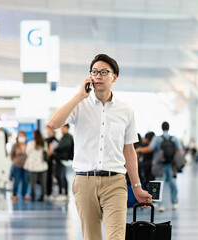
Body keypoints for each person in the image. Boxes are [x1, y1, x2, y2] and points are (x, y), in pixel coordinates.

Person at [48, 54, 152, 240]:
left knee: (116, 237)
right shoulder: (80, 105)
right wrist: (79, 96)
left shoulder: (125, 110)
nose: (98, 76)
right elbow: (53, 123)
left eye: (104, 72)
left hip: (115, 182)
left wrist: (136, 187)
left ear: (114, 77)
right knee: (91, 237)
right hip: (84, 182)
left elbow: (129, 151)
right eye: (94, 72)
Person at [137, 122, 183, 212]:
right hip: (171, 164)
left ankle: (160, 205)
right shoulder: (174, 138)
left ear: (161, 128)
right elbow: (180, 151)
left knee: (158, 184)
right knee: (173, 183)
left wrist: (138, 150)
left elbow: (150, 148)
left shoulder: (157, 138)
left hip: (159, 165)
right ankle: (174, 203)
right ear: (169, 128)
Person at [24, 130, 48, 201]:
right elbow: (46, 151)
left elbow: (27, 152)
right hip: (42, 166)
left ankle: (33, 196)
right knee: (43, 182)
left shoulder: (30, 144)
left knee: (32, 183)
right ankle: (42, 196)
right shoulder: (44, 143)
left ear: (34, 135)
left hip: (33, 166)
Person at [53, 124, 74, 198]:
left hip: (63, 159)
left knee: (60, 176)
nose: (61, 129)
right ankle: (63, 193)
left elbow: (63, 146)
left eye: (62, 128)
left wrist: (55, 149)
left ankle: (63, 193)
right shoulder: (64, 137)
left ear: (66, 128)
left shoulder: (67, 137)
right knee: (61, 176)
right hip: (61, 159)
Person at [10, 131, 31, 201]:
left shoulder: (28, 145)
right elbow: (11, 155)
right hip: (17, 166)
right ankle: (14, 195)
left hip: (26, 166)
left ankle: (24, 194)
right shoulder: (15, 146)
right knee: (16, 181)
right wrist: (15, 160)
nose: (21, 137)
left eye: (23, 136)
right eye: (20, 136)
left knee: (26, 181)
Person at [44, 126, 58, 197]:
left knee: (50, 176)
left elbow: (53, 151)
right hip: (45, 161)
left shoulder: (55, 140)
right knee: (45, 177)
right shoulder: (46, 140)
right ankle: (46, 191)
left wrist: (50, 152)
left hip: (52, 161)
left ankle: (49, 192)